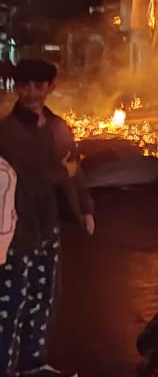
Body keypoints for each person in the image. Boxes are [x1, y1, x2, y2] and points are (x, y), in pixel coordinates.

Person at [0, 59, 93, 377]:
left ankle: (33, 362)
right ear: (17, 88)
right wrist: (59, 174)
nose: (31, 93)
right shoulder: (7, 133)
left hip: (48, 226)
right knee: (13, 302)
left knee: (44, 298)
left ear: (50, 88)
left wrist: (86, 208)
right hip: (17, 229)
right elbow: (20, 181)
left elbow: (75, 169)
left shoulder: (58, 126)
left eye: (38, 86)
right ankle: (6, 366)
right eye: (24, 86)